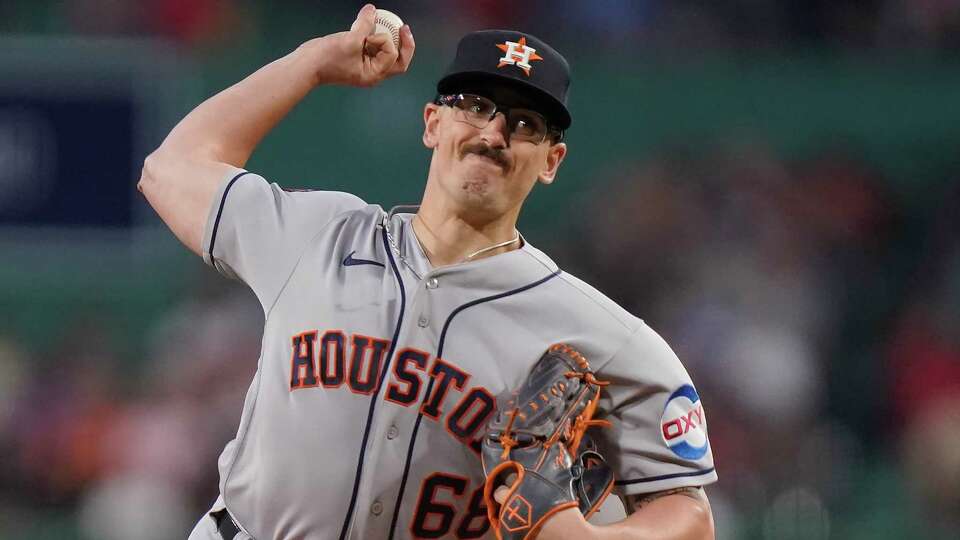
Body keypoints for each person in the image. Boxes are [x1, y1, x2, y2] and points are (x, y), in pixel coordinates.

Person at [140, 4, 717, 539]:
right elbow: (170, 170)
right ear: (433, 122)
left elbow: (688, 510)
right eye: (475, 105)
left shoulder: (601, 336)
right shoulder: (319, 235)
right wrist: (313, 62)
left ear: (551, 160)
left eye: (524, 123)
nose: (493, 134)